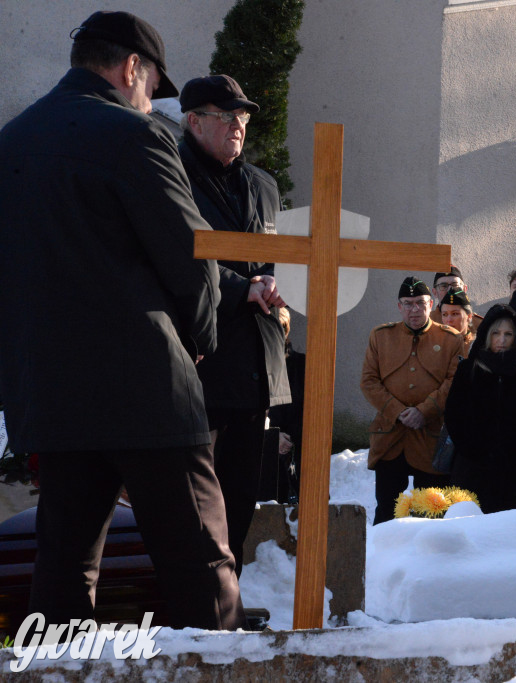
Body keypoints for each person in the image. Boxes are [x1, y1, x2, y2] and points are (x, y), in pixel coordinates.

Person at [0, 11, 244, 630]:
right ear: (131, 67)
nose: (147, 100)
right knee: (200, 566)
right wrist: (202, 341)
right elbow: (194, 258)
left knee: (63, 569)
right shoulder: (135, 135)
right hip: (147, 390)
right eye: (151, 85)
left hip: (52, 396)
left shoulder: (12, 141)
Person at [178, 74, 291, 578]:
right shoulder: (171, 174)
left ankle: (228, 592)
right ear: (193, 121)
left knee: (243, 491)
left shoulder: (264, 185)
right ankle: (190, 602)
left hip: (254, 361)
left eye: (242, 117)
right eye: (225, 116)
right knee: (191, 495)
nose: (237, 126)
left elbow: (279, 259)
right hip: (197, 358)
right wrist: (238, 288)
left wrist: (281, 290)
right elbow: (174, 252)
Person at [361, 277, 462, 524]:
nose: (414, 309)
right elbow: (369, 381)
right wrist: (398, 411)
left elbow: (453, 383)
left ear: (431, 304)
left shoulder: (451, 339)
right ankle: (383, 562)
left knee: (431, 514)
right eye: (408, 304)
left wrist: (424, 411)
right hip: (389, 437)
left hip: (429, 439)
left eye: (420, 303)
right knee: (386, 512)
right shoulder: (380, 336)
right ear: (399, 306)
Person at [445, 306, 516, 513]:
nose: (501, 340)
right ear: (486, 335)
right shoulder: (469, 369)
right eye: (496, 333)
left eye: (508, 334)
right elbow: (454, 414)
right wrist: (472, 449)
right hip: (473, 468)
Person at [269, 307, 305, 503]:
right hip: (264, 451)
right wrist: (272, 435)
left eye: (280, 328)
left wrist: (287, 439)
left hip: (297, 450)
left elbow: (309, 409)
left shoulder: (302, 365)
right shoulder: (254, 365)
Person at [430, 267, 483, 333]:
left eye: (455, 285)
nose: (450, 290)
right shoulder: (427, 322)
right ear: (435, 292)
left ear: (464, 289)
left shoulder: (480, 325)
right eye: (443, 286)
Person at [439, 288, 475, 356]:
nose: (449, 320)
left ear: (469, 316)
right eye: (445, 314)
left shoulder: (477, 346)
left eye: (455, 314)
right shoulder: (435, 345)